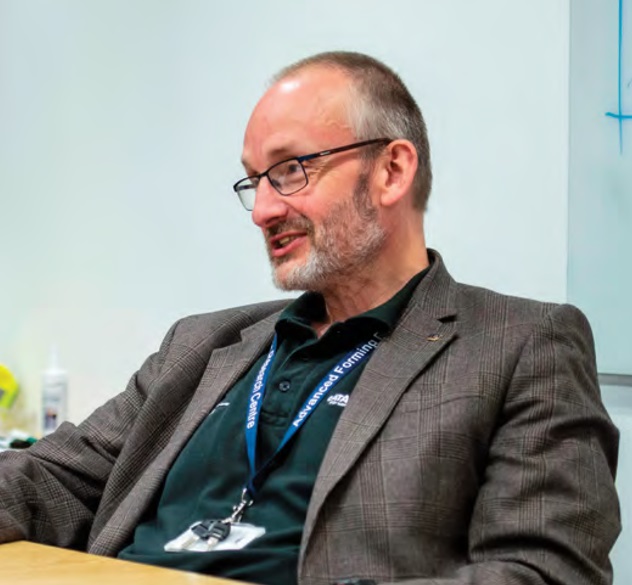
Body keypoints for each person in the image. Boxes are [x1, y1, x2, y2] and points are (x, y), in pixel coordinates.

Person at [0, 51, 621, 585]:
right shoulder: (200, 344)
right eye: (254, 181)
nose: (262, 211)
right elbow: (52, 476)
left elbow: (545, 571)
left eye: (291, 170)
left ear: (392, 171)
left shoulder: (520, 345)